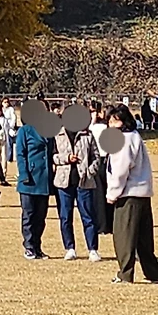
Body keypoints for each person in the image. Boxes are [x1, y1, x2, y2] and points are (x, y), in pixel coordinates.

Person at [106, 103, 158, 284]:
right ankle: (153, 273)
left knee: (124, 236)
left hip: (128, 194)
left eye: (115, 121)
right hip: (142, 193)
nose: (111, 125)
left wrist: (112, 194)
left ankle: (125, 274)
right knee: (144, 238)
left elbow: (120, 170)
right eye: (110, 121)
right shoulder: (135, 136)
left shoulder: (122, 140)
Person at [53, 112, 102, 261]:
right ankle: (70, 248)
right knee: (65, 216)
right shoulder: (58, 134)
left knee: (88, 216)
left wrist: (90, 171)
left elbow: (96, 156)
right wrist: (66, 158)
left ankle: (92, 249)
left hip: (84, 181)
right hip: (64, 181)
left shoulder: (87, 134)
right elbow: (53, 156)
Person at [15, 107, 52, 260]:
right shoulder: (25, 131)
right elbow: (20, 154)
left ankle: (37, 246)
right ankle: (29, 246)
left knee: (41, 217)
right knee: (28, 214)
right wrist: (24, 173)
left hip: (44, 179)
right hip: (29, 179)